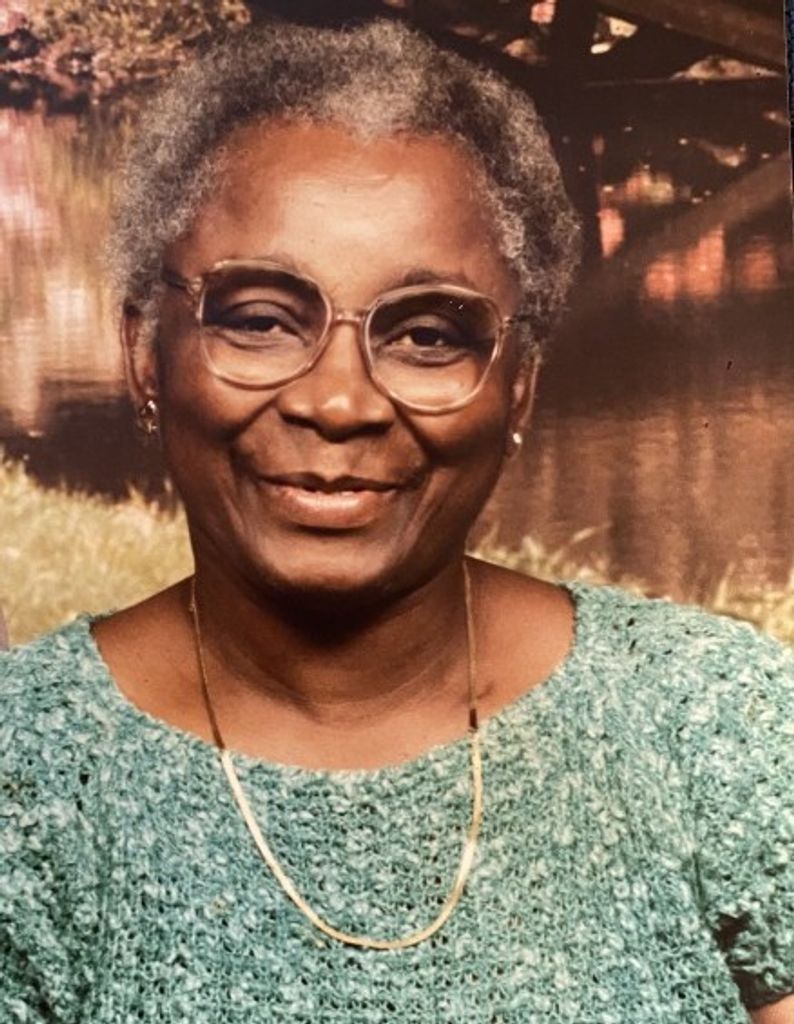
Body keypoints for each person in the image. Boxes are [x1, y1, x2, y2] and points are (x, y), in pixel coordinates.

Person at [1, 18, 793, 1024]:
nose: (338, 402)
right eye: (259, 319)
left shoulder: (715, 723)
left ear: (518, 386)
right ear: (146, 357)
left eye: (427, 334)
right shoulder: (26, 780)